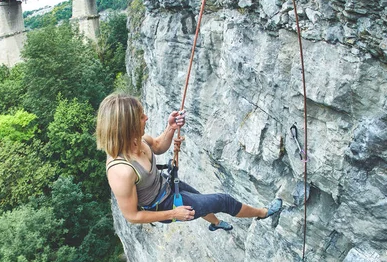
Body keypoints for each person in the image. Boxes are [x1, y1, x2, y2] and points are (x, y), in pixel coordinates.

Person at [96, 93, 283, 228]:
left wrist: (170, 128)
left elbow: (160, 146)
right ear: (128, 127)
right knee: (223, 201)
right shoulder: (121, 172)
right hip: (164, 205)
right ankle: (263, 213)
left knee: (202, 200)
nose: (147, 118)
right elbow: (132, 216)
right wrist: (173, 214)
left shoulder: (139, 140)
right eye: (141, 117)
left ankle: (216, 223)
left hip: (167, 185)